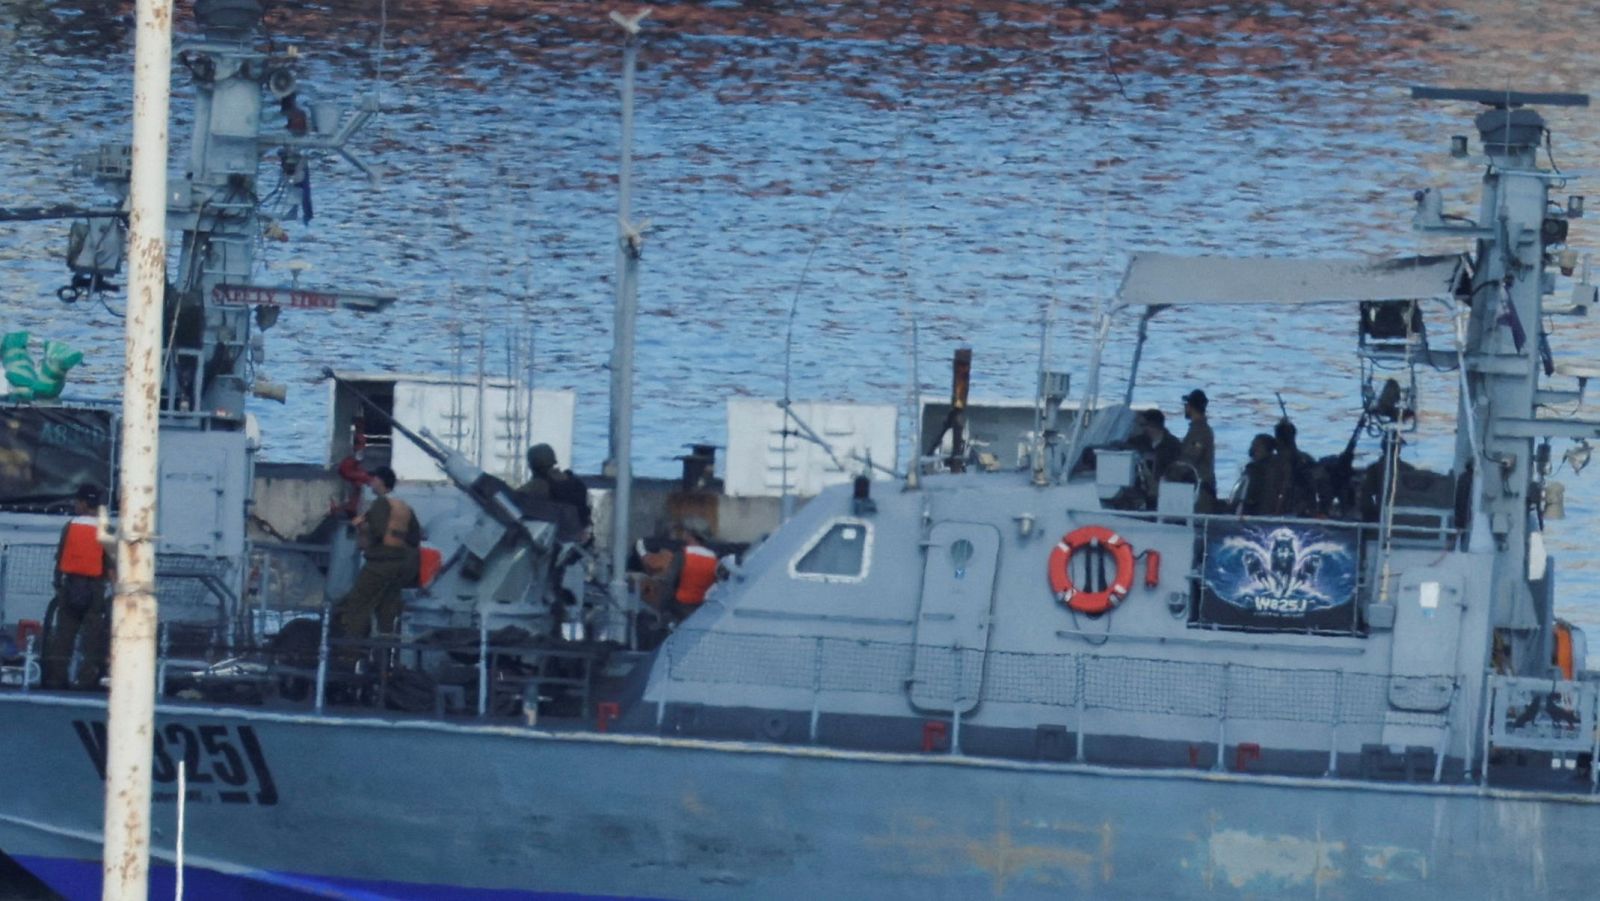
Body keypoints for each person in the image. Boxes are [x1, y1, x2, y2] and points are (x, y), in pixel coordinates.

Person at [333, 466, 421, 653]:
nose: (370, 482)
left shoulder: (380, 504)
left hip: (380, 563)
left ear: (381, 481)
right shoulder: (404, 507)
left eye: (373, 479)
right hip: (400, 566)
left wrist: (362, 526)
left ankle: (349, 655)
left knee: (356, 605)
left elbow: (378, 531)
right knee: (386, 613)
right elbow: (415, 537)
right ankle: (384, 660)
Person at [42, 483, 112, 690]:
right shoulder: (106, 528)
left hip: (70, 586)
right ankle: (87, 680)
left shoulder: (70, 526)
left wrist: (58, 585)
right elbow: (110, 563)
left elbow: (60, 557)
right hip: (96, 590)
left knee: (64, 636)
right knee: (93, 639)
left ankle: (56, 679)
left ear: (82, 503)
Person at [518, 443, 591, 539]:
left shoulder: (538, 485)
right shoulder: (576, 482)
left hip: (553, 542)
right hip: (578, 541)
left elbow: (512, 500)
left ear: (532, 465)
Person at [1178, 389, 1217, 511]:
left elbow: (1191, 457)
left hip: (1200, 492)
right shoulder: (1197, 429)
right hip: (1195, 488)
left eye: (1186, 405)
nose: (1185, 408)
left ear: (1190, 406)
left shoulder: (1200, 431)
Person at [1234, 433, 1278, 516]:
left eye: (1257, 446)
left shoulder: (1254, 470)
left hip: (1256, 511)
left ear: (1267, 449)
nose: (1252, 449)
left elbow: (1245, 495)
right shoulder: (1277, 465)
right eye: (1253, 445)